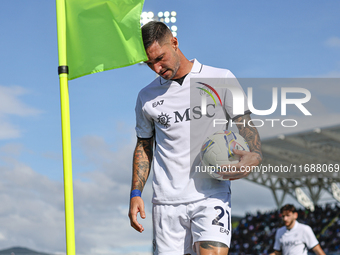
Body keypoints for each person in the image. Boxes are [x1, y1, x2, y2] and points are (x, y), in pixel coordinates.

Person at [128, 21, 262, 255]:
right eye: (149, 64)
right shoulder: (146, 97)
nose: (157, 68)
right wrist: (135, 193)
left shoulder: (221, 78)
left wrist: (255, 155)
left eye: (160, 58)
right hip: (167, 202)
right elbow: (144, 145)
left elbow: (245, 124)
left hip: (211, 193)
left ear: (175, 43)